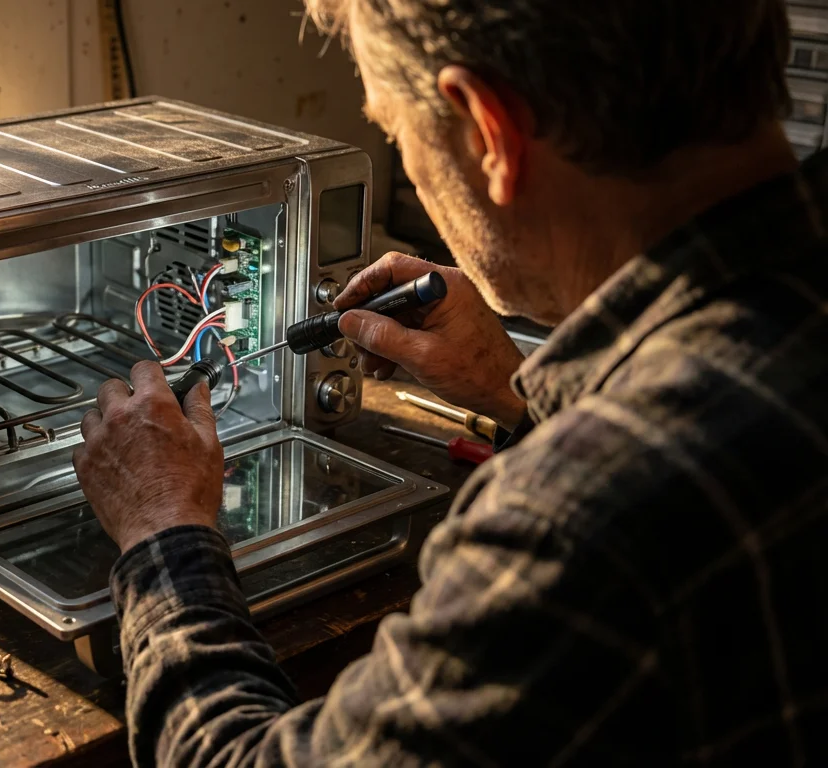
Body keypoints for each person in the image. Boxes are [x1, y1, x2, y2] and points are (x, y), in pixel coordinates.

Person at [71, 0, 828, 765]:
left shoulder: (575, 525)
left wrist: (163, 528)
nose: (407, 160)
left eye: (396, 133)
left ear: (487, 131)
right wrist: (513, 387)